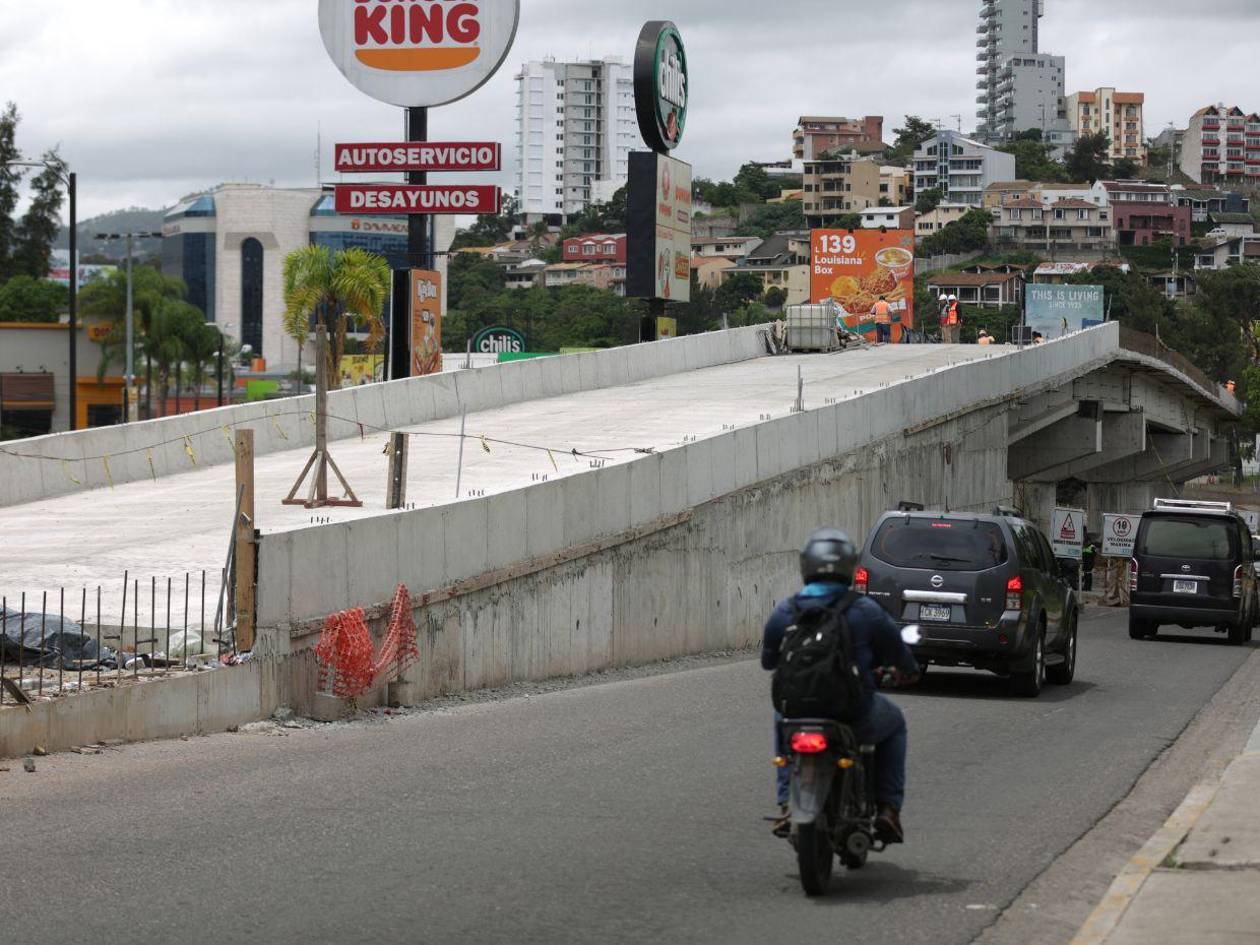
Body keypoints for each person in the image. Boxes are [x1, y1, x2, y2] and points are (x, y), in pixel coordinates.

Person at [762, 528, 920, 843]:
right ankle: (888, 809)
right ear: (848, 566)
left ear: (807, 565)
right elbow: (899, 655)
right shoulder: (864, 609)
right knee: (896, 724)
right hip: (852, 711)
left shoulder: (786, 609)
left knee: (783, 726)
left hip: (796, 712)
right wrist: (908, 670)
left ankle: (786, 804)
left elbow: (768, 661)